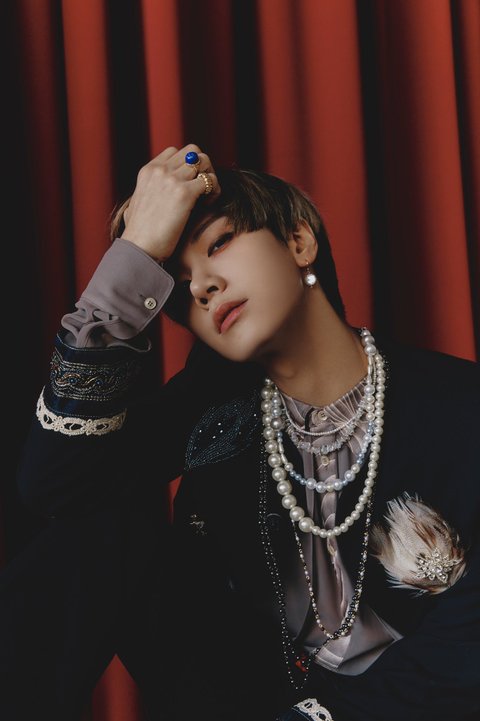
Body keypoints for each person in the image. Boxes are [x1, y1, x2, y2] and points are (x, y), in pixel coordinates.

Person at [1, 144, 479, 721]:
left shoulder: (457, 406)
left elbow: (463, 647)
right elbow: (55, 485)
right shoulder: (215, 403)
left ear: (298, 241)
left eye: (219, 243)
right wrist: (134, 257)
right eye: (180, 287)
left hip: (414, 704)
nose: (202, 287)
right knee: (98, 524)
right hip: (242, 699)